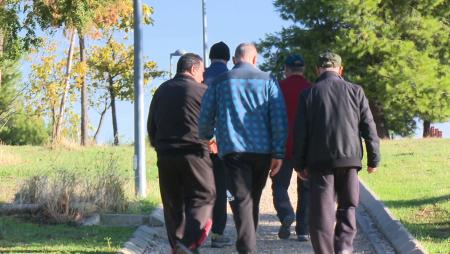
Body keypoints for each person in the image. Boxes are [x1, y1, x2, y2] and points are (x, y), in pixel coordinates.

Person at [198, 42, 288, 254]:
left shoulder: (220, 82)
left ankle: (247, 246)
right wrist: (278, 153)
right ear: (255, 59)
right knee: (251, 198)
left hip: (232, 151)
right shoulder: (269, 80)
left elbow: (205, 117)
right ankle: (248, 245)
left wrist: (207, 138)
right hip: (262, 151)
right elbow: (279, 119)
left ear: (235, 59)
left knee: (241, 199)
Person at [293, 51, 380, 254]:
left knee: (322, 215)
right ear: (340, 70)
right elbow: (369, 127)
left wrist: (299, 164)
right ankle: (344, 250)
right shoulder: (356, 91)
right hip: (349, 161)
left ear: (317, 70)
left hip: (320, 162)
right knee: (348, 207)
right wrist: (373, 158)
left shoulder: (308, 94)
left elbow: (300, 133)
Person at [147, 53, 216, 254]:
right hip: (195, 153)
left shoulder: (161, 91)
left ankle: (178, 246)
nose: (203, 77)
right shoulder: (202, 91)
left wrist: (159, 146)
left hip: (166, 155)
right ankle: (188, 242)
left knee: (173, 204)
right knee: (204, 195)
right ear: (193, 69)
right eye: (202, 72)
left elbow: (152, 125)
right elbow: (214, 123)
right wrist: (213, 142)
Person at [271, 54, 311, 241]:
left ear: (286, 69)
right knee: (306, 187)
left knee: (279, 185)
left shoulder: (277, 87)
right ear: (303, 69)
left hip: (283, 145)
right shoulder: (311, 89)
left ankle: (286, 213)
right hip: (306, 147)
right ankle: (303, 230)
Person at [203, 41, 233, 248]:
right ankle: (217, 233)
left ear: (210, 57)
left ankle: (197, 229)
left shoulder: (200, 75)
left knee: (200, 186)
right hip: (224, 143)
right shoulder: (231, 78)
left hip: (200, 141)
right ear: (228, 57)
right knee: (221, 187)